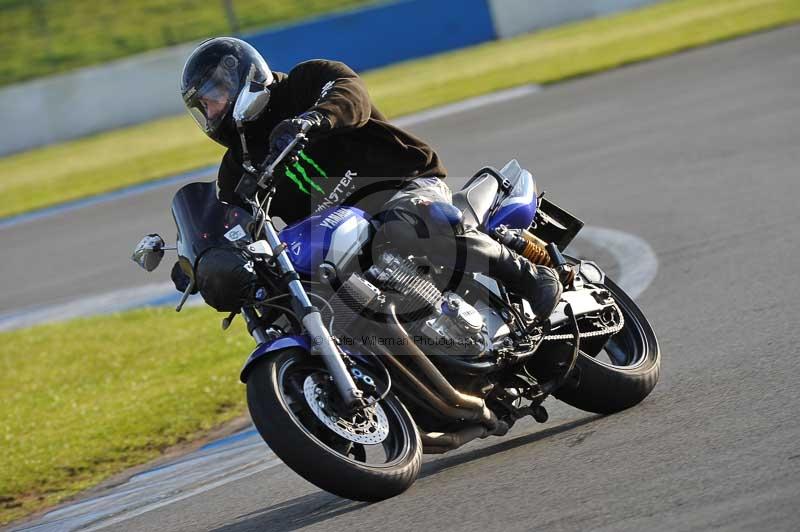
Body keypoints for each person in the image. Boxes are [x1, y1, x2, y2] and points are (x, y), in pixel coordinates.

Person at [176, 37, 562, 318]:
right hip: (335, 234)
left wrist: (315, 118)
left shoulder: (305, 82)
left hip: (400, 184)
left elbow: (351, 94)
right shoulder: (237, 166)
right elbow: (232, 220)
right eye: (201, 106)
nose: (209, 111)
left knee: (410, 226)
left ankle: (529, 278)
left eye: (212, 97)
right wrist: (201, 262)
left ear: (239, 75)